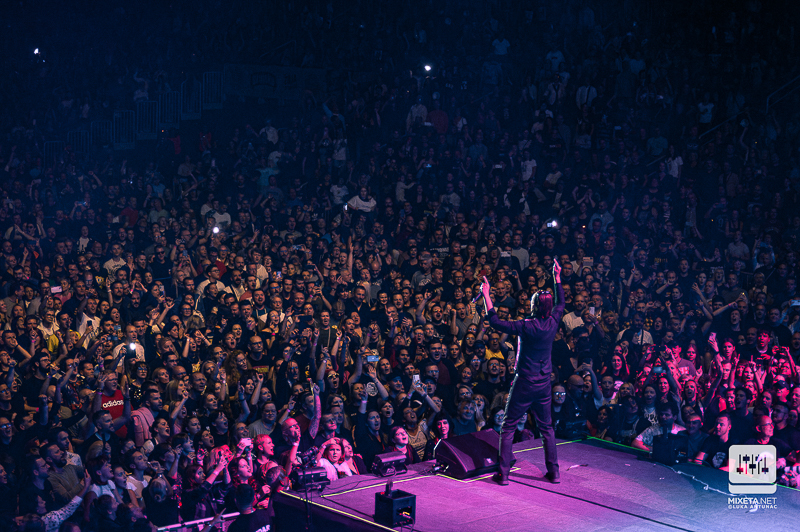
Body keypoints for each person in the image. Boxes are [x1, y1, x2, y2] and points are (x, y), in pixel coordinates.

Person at [481, 259, 564, 485]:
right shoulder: (553, 322)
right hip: (543, 383)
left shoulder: (525, 325)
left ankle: (504, 474)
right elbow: (561, 303)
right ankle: (554, 473)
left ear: (534, 306)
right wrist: (557, 278)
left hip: (525, 382)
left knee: (508, 426)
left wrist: (487, 294)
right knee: (547, 428)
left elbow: (495, 322)